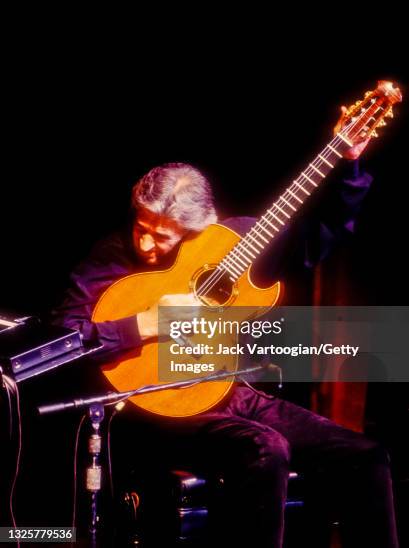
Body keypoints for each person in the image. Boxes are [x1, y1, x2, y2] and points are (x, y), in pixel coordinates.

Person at [52, 131, 399, 546]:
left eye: (162, 236)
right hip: (151, 403)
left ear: (200, 229)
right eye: (141, 226)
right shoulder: (108, 257)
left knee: (365, 456)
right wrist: (140, 324)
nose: (145, 242)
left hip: (224, 388)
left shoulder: (226, 244)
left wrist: (350, 168)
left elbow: (320, 238)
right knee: (265, 449)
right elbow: (62, 341)